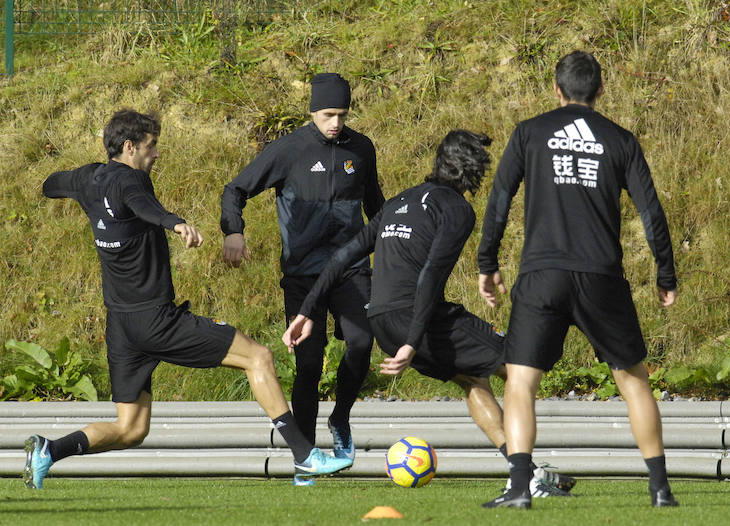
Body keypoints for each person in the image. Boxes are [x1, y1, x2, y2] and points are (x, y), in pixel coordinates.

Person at [26, 109, 351, 490]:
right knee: (258, 357)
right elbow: (140, 202)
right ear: (129, 147)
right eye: (151, 146)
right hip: (156, 320)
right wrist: (174, 222)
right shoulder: (132, 181)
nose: (157, 154)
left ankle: (49, 450)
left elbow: (51, 184)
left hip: (121, 326)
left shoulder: (89, 178)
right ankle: (305, 456)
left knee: (131, 429)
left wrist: (81, 189)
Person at [283, 130, 576, 497]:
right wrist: (413, 341)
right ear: (475, 171)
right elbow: (432, 275)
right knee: (520, 364)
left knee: (473, 380)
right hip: (415, 320)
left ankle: (527, 471)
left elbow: (342, 256)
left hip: (382, 320)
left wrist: (307, 310)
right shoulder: (456, 209)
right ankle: (525, 477)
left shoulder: (398, 202)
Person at [477, 51, 679, 509]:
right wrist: (664, 273)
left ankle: (518, 488)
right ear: (600, 90)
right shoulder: (620, 140)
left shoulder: (530, 132)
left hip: (542, 274)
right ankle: (660, 489)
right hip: (601, 276)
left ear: (556, 89)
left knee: (521, 381)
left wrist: (486, 262)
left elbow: (500, 197)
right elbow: (651, 212)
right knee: (634, 381)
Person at [221, 73, 383, 464]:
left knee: (362, 343)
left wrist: (399, 247)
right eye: (328, 115)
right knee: (309, 363)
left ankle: (341, 418)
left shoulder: (360, 149)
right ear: (312, 111)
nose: (336, 124)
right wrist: (233, 232)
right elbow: (235, 190)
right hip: (303, 274)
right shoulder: (288, 150)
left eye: (342, 115)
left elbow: (376, 207)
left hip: (351, 269)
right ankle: (306, 457)